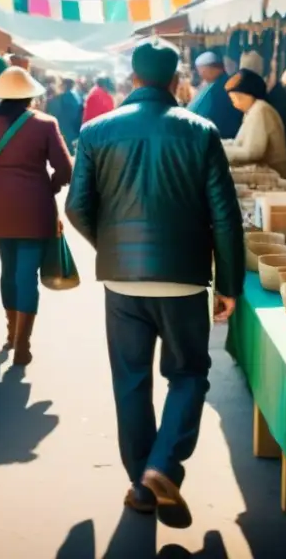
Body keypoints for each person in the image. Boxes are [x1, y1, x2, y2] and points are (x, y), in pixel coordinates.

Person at [65, 40, 244, 529]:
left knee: (132, 381)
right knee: (188, 375)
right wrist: (229, 282)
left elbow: (76, 207)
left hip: (123, 284)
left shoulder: (96, 130)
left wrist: (115, 246)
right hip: (185, 281)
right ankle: (163, 465)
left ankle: (141, 486)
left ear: (133, 78)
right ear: (175, 78)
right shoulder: (201, 131)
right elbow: (225, 217)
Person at [0, 67, 72, 365]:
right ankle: (23, 342)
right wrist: (48, 187)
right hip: (36, 207)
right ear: (31, 95)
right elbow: (64, 169)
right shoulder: (46, 124)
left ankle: (11, 333)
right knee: (27, 274)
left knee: (8, 269)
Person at [223, 68, 286, 176]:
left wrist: (218, 153)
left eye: (235, 99)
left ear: (247, 95)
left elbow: (252, 153)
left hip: (274, 172)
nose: (235, 104)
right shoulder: (252, 111)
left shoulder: (261, 110)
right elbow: (238, 143)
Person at [187, 51, 242, 139]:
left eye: (202, 71)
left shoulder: (224, 86)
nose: (201, 75)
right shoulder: (211, 84)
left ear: (212, 68)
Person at [46, 77, 83, 153]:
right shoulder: (78, 98)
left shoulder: (59, 98)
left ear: (64, 85)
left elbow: (52, 112)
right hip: (73, 132)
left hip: (62, 131)